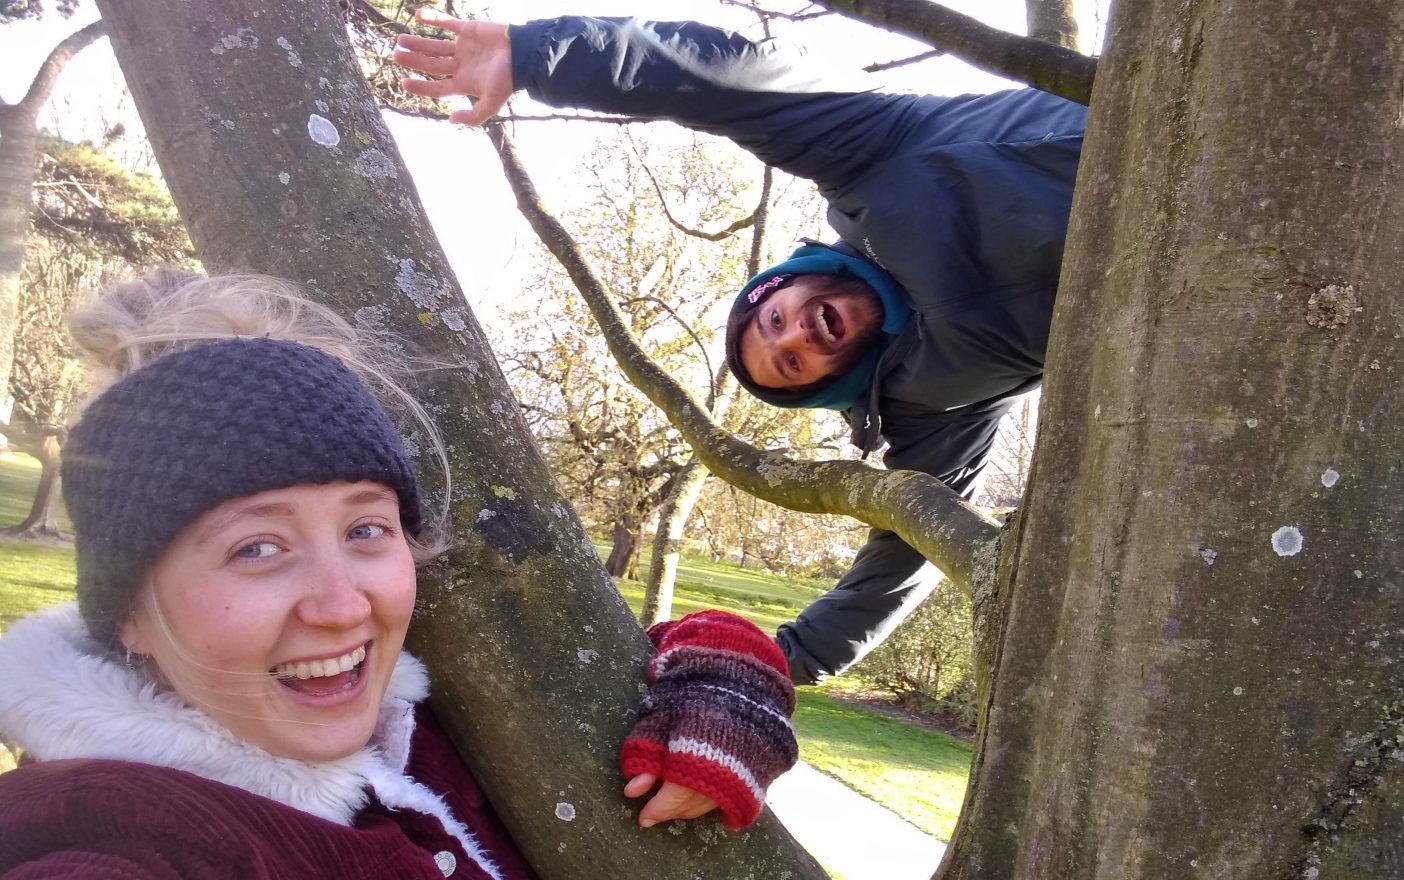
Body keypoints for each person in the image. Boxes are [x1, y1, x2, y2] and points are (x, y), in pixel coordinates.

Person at [0, 272, 797, 880]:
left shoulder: (437, 725)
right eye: (257, 547)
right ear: (130, 611)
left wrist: (722, 678)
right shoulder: (126, 876)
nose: (342, 604)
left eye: (365, 529)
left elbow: (632, 662)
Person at [394, 11, 1087, 684]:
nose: (796, 334)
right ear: (824, 382)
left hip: (1127, 140)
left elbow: (729, 83)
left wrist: (537, 56)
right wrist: (781, 662)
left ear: (796, 278)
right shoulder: (932, 404)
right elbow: (906, 551)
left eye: (775, 317)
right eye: (792, 363)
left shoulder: (870, 159)